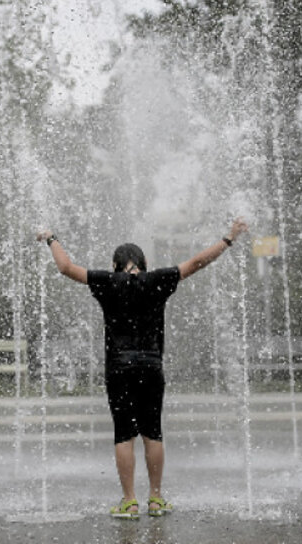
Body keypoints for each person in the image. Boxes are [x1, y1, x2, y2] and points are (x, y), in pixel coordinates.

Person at [35, 218, 249, 519]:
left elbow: (66, 267)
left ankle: (129, 502)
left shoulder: (107, 281)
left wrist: (51, 238)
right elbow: (198, 262)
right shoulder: (158, 280)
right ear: (143, 262)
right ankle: (156, 499)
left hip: (118, 367)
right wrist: (229, 238)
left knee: (124, 433)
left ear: (115, 264)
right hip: (151, 366)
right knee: (153, 432)